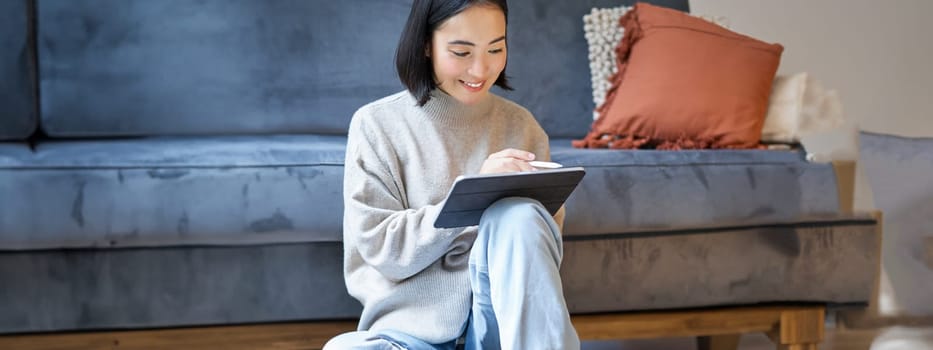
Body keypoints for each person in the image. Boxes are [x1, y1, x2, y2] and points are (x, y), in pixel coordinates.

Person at [324, 0, 580, 349]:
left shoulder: (522, 127)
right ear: (426, 45)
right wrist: (472, 195)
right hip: (407, 336)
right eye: (461, 52)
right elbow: (383, 252)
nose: (480, 69)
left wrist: (498, 214)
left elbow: (535, 255)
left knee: (521, 216)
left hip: (498, 331)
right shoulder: (376, 125)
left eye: (496, 48)